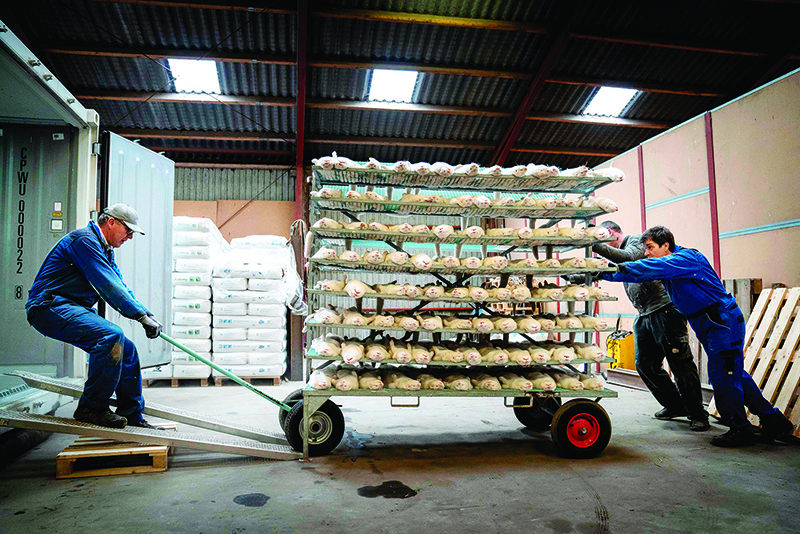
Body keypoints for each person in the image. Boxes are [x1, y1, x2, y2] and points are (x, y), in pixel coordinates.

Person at [600, 225, 794, 447]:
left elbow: (647, 267)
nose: (646, 253)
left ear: (666, 245)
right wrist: (601, 274)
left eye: (650, 247)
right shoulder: (670, 265)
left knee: (723, 375)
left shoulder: (686, 258)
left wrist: (615, 267)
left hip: (721, 322)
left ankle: (740, 430)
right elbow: (641, 275)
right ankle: (774, 421)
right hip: (709, 322)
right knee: (734, 374)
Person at [26, 204, 163, 429]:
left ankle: (132, 415)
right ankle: (92, 408)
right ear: (111, 222)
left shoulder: (105, 249)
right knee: (110, 336)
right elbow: (107, 285)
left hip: (71, 308)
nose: (129, 236)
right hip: (48, 307)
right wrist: (139, 316)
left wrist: (146, 314)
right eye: (127, 230)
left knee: (127, 350)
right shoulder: (84, 241)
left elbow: (119, 284)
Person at [590, 221, 709, 431]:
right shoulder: (630, 250)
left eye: (650, 248)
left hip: (665, 310)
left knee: (680, 363)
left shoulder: (635, 242)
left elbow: (626, 260)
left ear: (608, 233)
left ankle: (698, 414)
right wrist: (585, 272)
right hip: (644, 313)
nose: (647, 252)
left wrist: (593, 243)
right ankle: (675, 405)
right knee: (645, 364)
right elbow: (619, 271)